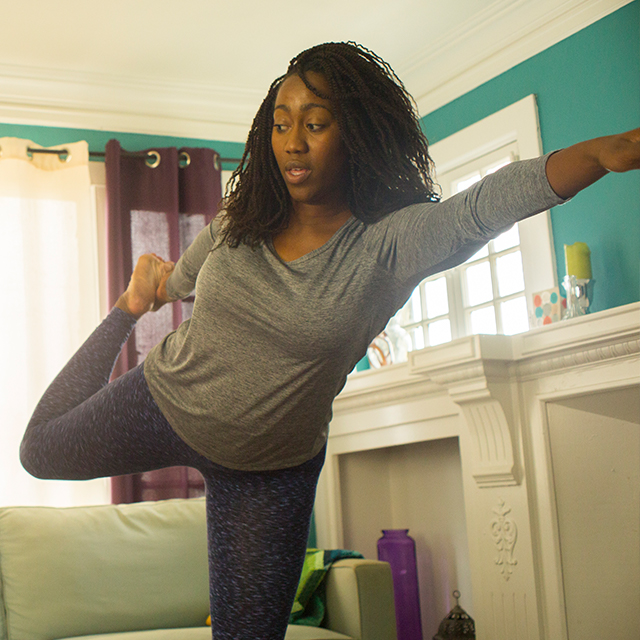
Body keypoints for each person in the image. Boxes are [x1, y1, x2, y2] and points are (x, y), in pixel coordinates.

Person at [19, 42, 640, 640]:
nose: (292, 140)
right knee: (40, 453)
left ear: (356, 135)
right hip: (167, 399)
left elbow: (482, 206)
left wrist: (602, 153)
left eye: (314, 124)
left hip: (269, 470)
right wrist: (140, 300)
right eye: (282, 122)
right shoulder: (243, 216)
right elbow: (182, 279)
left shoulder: (390, 245)